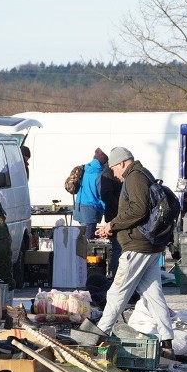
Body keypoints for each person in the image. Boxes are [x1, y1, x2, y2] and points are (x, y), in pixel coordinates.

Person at [95, 147, 175, 359]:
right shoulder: (143, 174)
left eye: (113, 169)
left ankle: (98, 336)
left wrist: (112, 224)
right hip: (149, 247)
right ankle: (167, 342)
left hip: (137, 246)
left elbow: (138, 210)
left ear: (122, 163)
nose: (114, 174)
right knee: (154, 296)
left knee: (116, 293)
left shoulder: (134, 177)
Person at [73, 148, 108, 240]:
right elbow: (102, 195)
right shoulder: (100, 174)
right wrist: (108, 209)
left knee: (82, 240)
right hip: (91, 211)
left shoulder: (85, 168)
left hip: (79, 207)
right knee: (86, 243)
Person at [100, 158, 123, 277]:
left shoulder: (109, 174)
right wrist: (120, 207)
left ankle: (117, 275)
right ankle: (116, 276)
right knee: (117, 248)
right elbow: (106, 195)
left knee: (118, 248)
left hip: (116, 214)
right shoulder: (107, 174)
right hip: (114, 215)